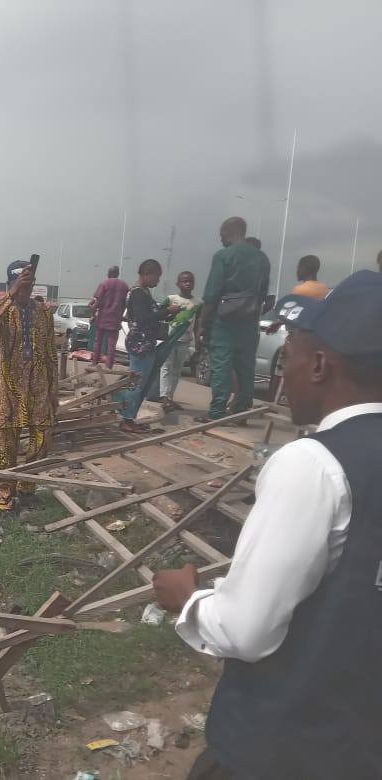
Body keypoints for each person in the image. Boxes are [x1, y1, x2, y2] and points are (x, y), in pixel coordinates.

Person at [152, 269, 382, 779]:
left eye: (292, 354)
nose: (283, 373)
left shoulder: (315, 464)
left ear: (320, 364)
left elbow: (246, 630)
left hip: (286, 744)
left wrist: (187, 598)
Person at [0, 260, 57, 511]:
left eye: (29, 284)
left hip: (38, 387)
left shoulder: (43, 312)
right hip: (9, 387)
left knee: (42, 437)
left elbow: (50, 353)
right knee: (5, 441)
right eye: (21, 284)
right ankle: (6, 492)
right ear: (11, 284)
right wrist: (11, 295)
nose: (26, 290)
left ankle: (27, 489)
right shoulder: (5, 311)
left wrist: (53, 389)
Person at [197, 217, 271, 422]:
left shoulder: (223, 256)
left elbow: (212, 293)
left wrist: (203, 323)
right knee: (246, 366)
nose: (220, 238)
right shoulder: (261, 258)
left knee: (221, 365)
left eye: (221, 233)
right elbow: (264, 291)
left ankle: (217, 412)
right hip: (249, 320)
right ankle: (240, 411)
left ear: (230, 231)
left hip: (225, 319)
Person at [120, 259, 178, 432]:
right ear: (147, 274)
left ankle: (130, 418)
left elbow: (150, 316)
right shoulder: (138, 293)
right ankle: (126, 420)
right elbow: (143, 319)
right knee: (137, 384)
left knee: (143, 384)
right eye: (156, 277)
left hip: (145, 344)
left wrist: (167, 314)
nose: (158, 281)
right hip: (140, 345)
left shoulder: (144, 292)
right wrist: (167, 311)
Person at [151, 271, 202, 412]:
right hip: (170, 339)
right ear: (178, 283)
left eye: (190, 281)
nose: (187, 283)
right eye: (184, 281)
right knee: (166, 368)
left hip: (185, 340)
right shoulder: (171, 299)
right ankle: (164, 397)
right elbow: (159, 313)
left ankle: (170, 398)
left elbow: (198, 322)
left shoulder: (198, 302)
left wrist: (198, 340)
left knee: (177, 370)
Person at [89, 266, 129, 368]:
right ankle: (109, 365)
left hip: (102, 318)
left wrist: (92, 315)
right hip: (115, 319)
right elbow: (125, 304)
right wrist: (121, 316)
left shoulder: (104, 284)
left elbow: (97, 302)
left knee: (98, 341)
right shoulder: (124, 286)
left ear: (108, 273)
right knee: (112, 344)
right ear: (118, 273)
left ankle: (94, 363)